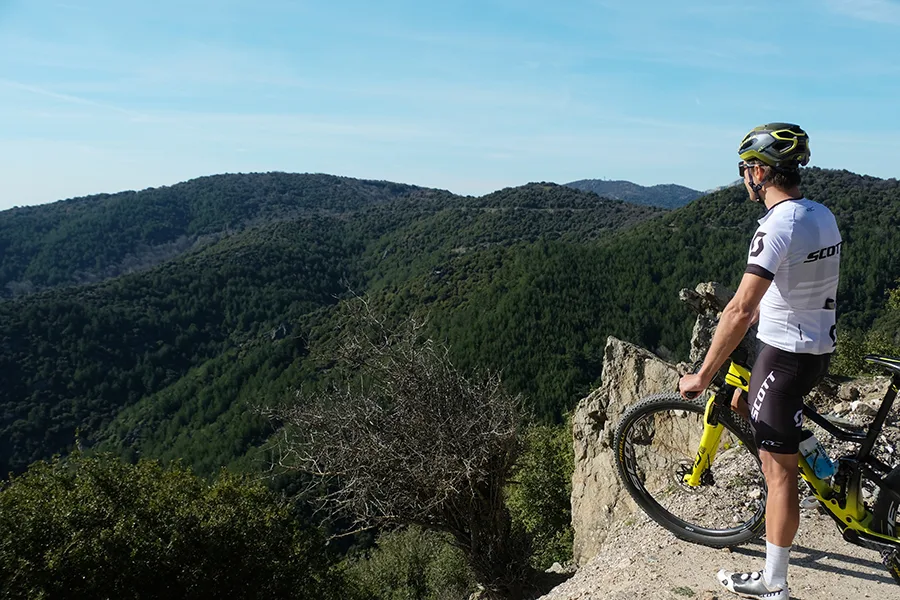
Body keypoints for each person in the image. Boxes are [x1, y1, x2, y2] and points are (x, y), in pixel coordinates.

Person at [679, 123, 842, 600]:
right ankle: (811, 450)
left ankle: (775, 583)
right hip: (816, 348)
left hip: (784, 354)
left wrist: (703, 374)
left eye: (748, 167)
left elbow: (740, 310)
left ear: (762, 172)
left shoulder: (778, 225)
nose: (745, 176)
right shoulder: (822, 214)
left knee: (779, 473)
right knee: (761, 407)